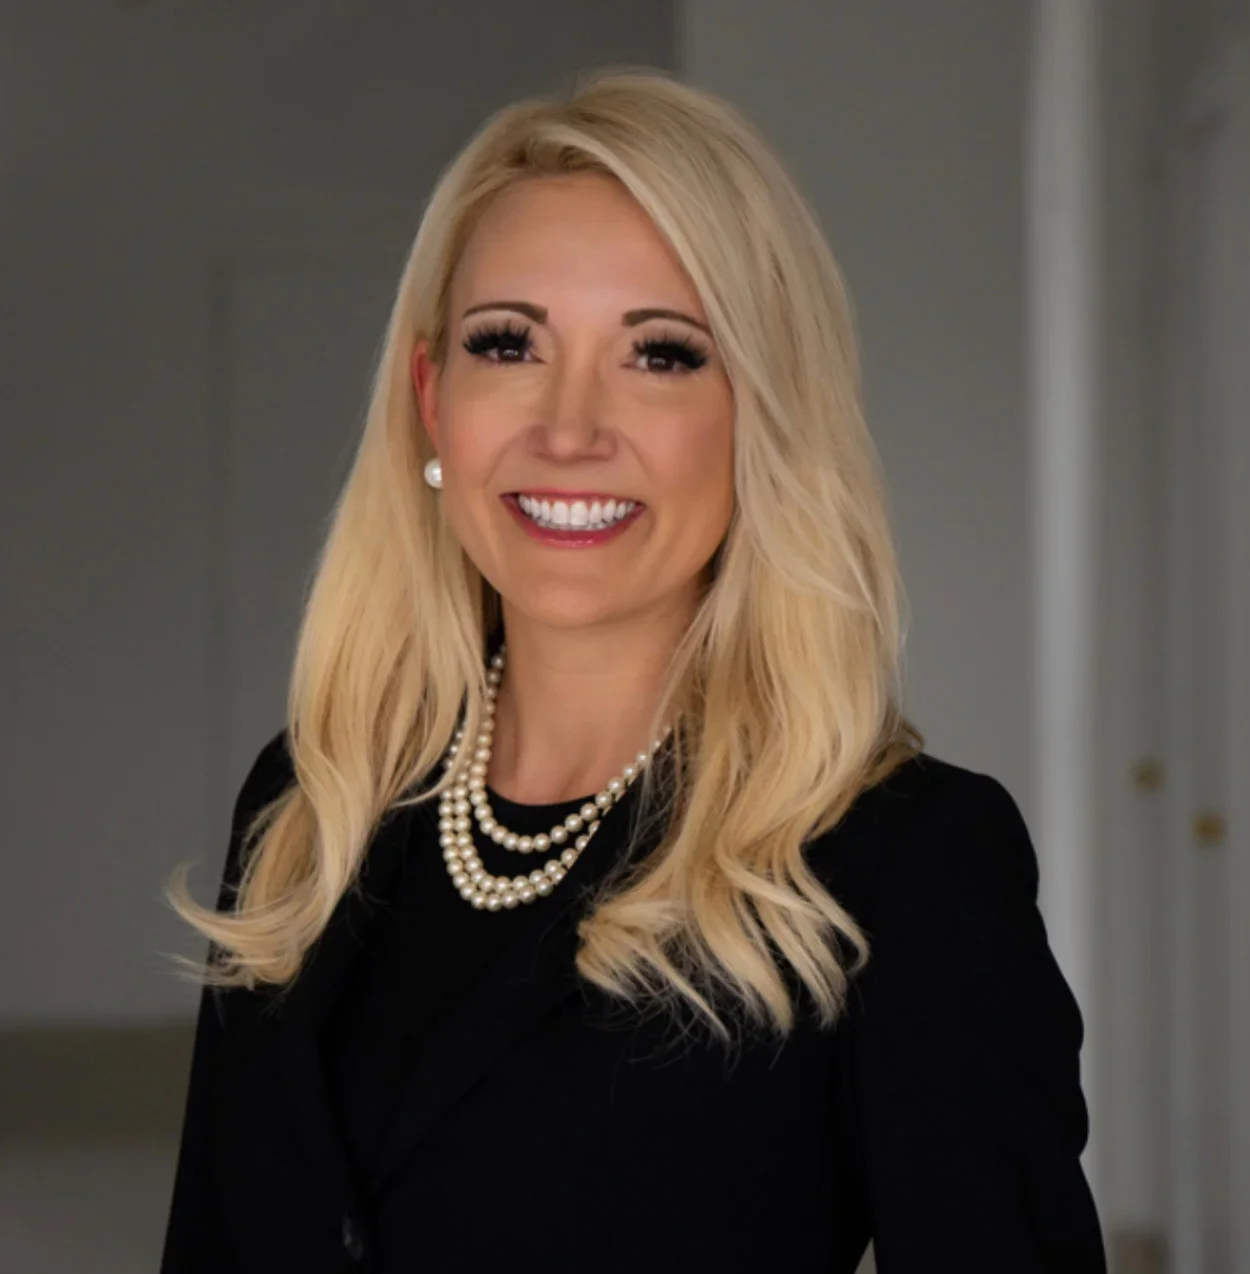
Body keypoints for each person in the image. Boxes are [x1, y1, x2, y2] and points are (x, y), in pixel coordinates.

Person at [160, 67, 1107, 1273]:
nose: (568, 428)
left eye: (658, 355)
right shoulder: (310, 802)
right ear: (430, 401)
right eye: (508, 343)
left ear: (761, 417)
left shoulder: (903, 862)